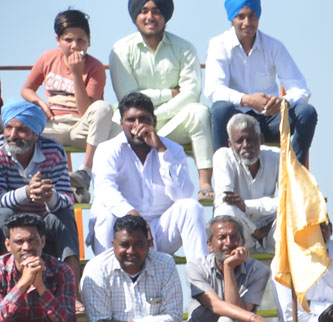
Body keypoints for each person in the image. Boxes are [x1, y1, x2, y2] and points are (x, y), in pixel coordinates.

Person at [109, 0, 214, 198]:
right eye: (144, 11)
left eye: (156, 11)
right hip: (136, 125)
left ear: (165, 15)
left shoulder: (184, 48)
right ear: (135, 16)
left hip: (173, 124)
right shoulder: (120, 50)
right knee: (115, 119)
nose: (150, 17)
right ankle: (117, 188)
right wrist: (169, 93)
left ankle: (205, 184)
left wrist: (156, 114)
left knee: (199, 112)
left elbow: (191, 93)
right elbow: (128, 98)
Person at [91, 93, 209, 262]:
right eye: (131, 120)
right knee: (103, 210)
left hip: (160, 231)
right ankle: (105, 271)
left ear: (154, 121)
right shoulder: (107, 149)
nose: (137, 125)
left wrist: (161, 150)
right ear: (121, 123)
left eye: (143, 119)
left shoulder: (172, 149)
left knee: (191, 207)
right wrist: (133, 215)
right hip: (123, 229)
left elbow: (183, 194)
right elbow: (104, 189)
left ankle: (200, 276)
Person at [21, 9, 118, 204]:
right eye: (68, 40)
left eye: (81, 40)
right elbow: (27, 89)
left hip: (82, 127)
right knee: (18, 127)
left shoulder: (95, 67)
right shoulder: (48, 58)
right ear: (58, 40)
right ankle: (34, 186)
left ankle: (85, 173)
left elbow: (85, 111)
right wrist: (40, 104)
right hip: (54, 124)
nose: (75, 46)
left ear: (89, 41)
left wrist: (76, 74)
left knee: (104, 108)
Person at [206, 1, 318, 166]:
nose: (247, 22)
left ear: (258, 16)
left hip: (269, 119)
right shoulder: (219, 44)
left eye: (252, 16)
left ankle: (294, 170)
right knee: (220, 109)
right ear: (231, 19)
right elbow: (213, 90)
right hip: (236, 120)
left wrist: (283, 102)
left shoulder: (274, 47)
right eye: (240, 17)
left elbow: (301, 88)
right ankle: (224, 170)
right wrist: (247, 100)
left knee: (306, 112)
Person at [0, 102, 81, 283]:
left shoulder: (53, 150)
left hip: (43, 222)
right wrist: (27, 192)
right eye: (8, 128)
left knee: (65, 216)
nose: (12, 135)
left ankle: (72, 287)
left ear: (36, 135)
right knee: (3, 213)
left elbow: (68, 199)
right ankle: (7, 283)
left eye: (22, 130)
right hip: (11, 223)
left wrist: (49, 196)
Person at [213, 114, 279, 253]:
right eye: (239, 141)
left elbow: (289, 200)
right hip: (242, 231)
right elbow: (224, 202)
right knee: (224, 210)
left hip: (271, 229)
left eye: (251, 140)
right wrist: (254, 230)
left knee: (296, 212)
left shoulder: (277, 157)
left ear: (261, 140)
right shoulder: (223, 156)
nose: (246, 145)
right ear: (230, 144)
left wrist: (246, 206)